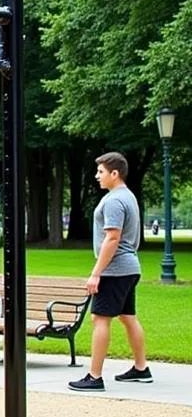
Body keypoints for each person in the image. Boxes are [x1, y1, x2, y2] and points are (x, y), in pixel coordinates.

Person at [68, 152, 152, 391]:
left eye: (101, 172)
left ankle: (94, 376)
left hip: (115, 269)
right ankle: (141, 368)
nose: (97, 176)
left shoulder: (115, 200)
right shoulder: (128, 196)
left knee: (100, 319)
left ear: (115, 174)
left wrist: (96, 272)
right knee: (127, 317)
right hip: (129, 267)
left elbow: (112, 238)